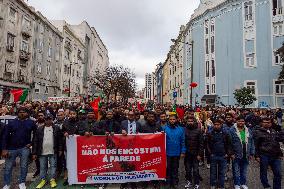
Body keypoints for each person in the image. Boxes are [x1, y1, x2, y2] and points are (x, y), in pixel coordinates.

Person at [1, 107, 37, 189]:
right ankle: (7, 184)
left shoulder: (31, 123)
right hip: (11, 148)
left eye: (24, 112)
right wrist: (4, 149)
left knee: (24, 166)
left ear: (27, 113)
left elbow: (35, 136)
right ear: (17, 113)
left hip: (24, 148)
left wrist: (31, 143)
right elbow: (5, 136)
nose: (22, 113)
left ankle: (22, 182)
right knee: (8, 167)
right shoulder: (11, 123)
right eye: (20, 112)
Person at [32, 115, 63, 189]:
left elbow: (60, 140)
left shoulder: (57, 128)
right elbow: (35, 141)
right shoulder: (39, 129)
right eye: (46, 119)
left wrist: (60, 149)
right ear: (44, 120)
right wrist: (34, 152)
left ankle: (52, 179)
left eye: (49, 119)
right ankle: (43, 180)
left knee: (53, 166)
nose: (48, 121)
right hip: (42, 152)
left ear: (52, 119)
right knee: (42, 167)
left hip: (53, 151)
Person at [253, 117, 284, 189]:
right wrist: (256, 156)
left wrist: (280, 154)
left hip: (276, 156)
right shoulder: (257, 132)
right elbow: (255, 144)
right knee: (264, 172)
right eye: (265, 122)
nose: (267, 124)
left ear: (271, 123)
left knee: (278, 174)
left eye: (269, 122)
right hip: (264, 155)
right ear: (261, 123)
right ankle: (266, 186)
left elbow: (278, 141)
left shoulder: (273, 131)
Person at [230, 116, 255, 189]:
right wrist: (231, 153)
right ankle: (237, 184)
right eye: (239, 121)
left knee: (244, 170)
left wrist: (252, 153)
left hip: (246, 153)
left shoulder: (248, 130)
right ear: (236, 121)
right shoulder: (232, 130)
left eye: (242, 121)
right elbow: (229, 143)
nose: (241, 123)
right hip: (236, 153)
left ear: (244, 122)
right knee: (236, 170)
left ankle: (243, 183)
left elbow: (251, 141)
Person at [162, 114, 186, 189]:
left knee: (175, 167)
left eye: (173, 119)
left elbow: (183, 141)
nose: (172, 121)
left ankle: (175, 181)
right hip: (167, 152)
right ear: (168, 120)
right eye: (170, 119)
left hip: (176, 152)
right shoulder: (164, 128)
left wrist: (183, 151)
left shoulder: (181, 129)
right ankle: (168, 181)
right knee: (168, 167)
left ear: (176, 120)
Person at [207, 119, 232, 189]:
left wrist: (228, 153)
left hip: (223, 156)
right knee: (213, 172)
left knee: (222, 172)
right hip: (213, 155)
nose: (216, 126)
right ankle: (213, 184)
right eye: (215, 124)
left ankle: (221, 185)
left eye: (218, 125)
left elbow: (229, 144)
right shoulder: (210, 133)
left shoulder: (226, 133)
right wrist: (210, 153)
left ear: (221, 125)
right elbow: (207, 144)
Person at [120, 111, 142, 189]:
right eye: (129, 115)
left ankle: (133, 183)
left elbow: (142, 134)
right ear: (127, 115)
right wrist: (121, 131)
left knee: (133, 165)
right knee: (125, 164)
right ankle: (124, 182)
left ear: (135, 116)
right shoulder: (123, 123)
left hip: (135, 147)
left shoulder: (138, 124)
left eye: (132, 115)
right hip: (125, 147)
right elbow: (118, 133)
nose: (131, 116)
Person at [184, 116, 204, 189]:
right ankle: (189, 181)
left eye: (191, 121)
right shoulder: (184, 130)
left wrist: (200, 154)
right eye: (188, 121)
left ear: (194, 122)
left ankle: (196, 183)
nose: (190, 122)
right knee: (188, 169)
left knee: (195, 170)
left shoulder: (198, 130)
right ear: (186, 122)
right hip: (187, 153)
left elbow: (201, 144)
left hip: (196, 154)